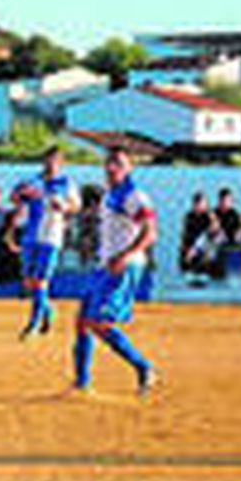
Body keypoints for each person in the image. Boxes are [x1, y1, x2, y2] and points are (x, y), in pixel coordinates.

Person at [73, 147, 158, 397]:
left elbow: (151, 232)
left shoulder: (134, 196)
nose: (112, 168)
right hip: (105, 266)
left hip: (123, 266)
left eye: (119, 163)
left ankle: (144, 367)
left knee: (99, 323)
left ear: (129, 168)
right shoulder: (111, 195)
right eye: (109, 162)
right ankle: (82, 382)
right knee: (82, 321)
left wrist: (125, 256)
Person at [12, 148, 82, 339]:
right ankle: (48, 311)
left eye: (55, 161)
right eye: (48, 160)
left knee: (40, 280)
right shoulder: (32, 181)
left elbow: (76, 206)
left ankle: (33, 324)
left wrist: (65, 207)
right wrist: (21, 197)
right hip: (31, 235)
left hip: (51, 237)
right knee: (29, 281)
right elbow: (14, 197)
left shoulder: (66, 183)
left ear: (61, 163)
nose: (50, 165)